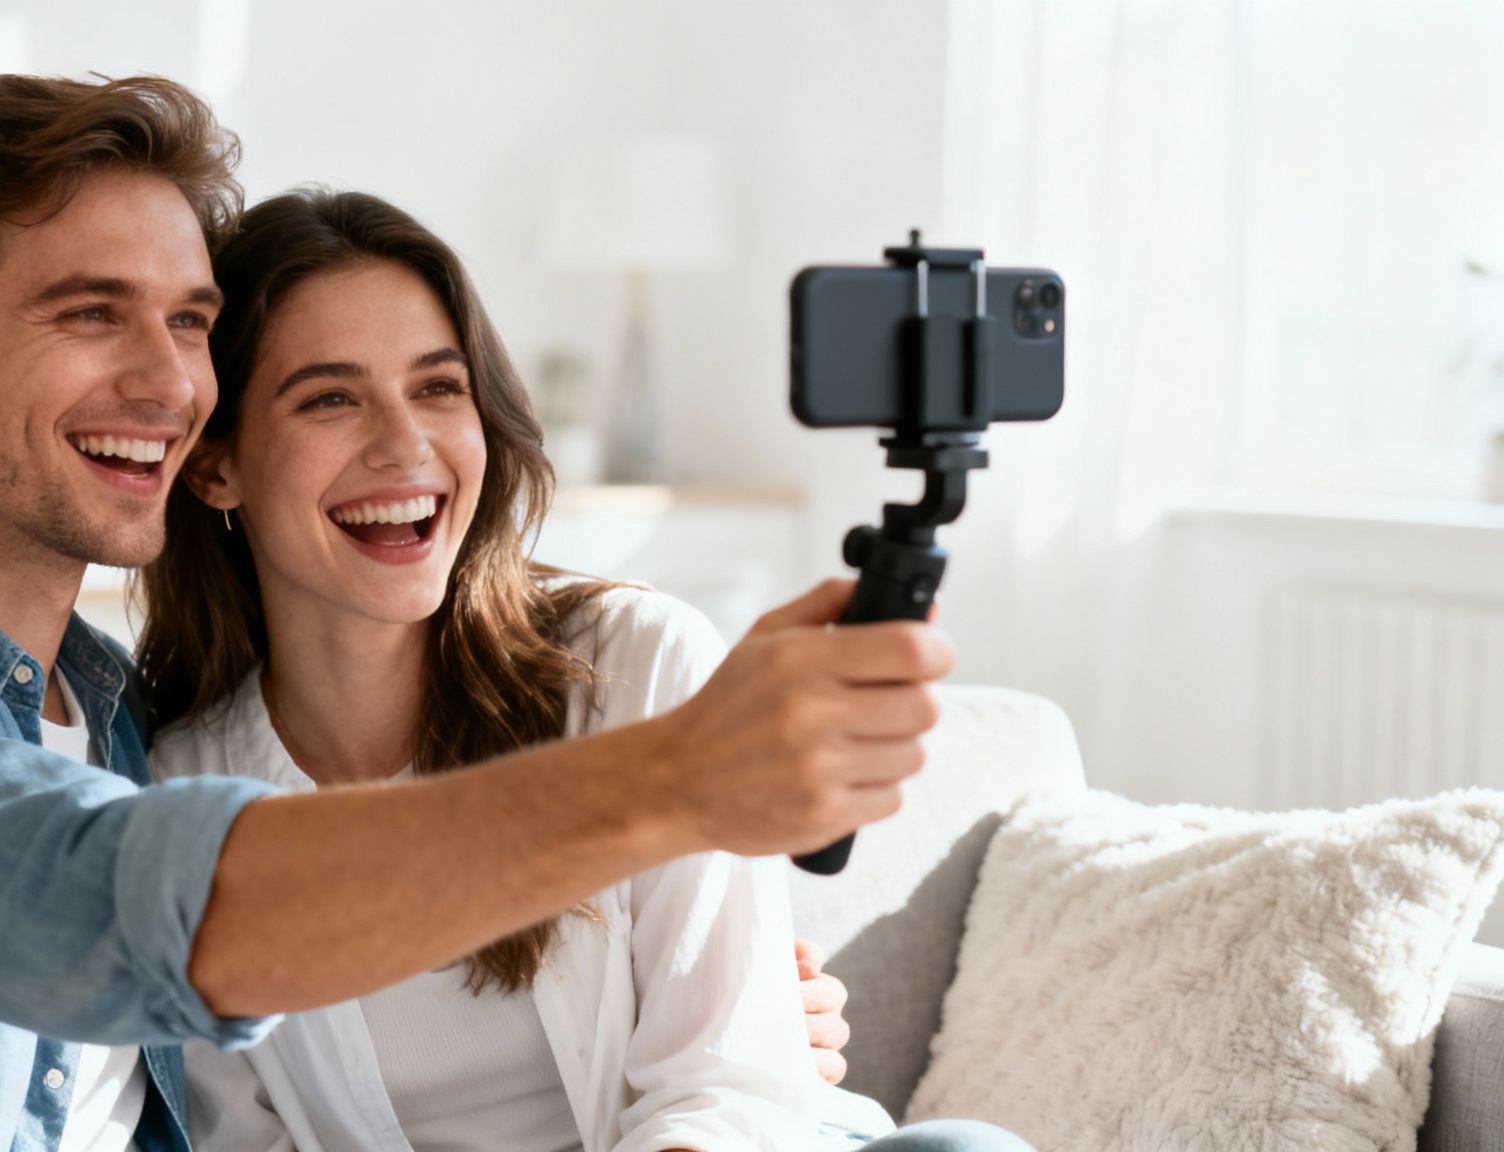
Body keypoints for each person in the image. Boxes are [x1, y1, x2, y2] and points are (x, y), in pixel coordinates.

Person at [0, 74, 954, 1152]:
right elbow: (141, 915)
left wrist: (745, 1029)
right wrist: (673, 778)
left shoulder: (112, 711)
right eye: (91, 313)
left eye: (190, 322)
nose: (166, 384)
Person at [141, 190, 1032, 1152]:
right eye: (330, 398)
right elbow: (236, 1139)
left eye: (439, 388)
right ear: (215, 465)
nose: (405, 447)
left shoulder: (636, 662)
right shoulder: (174, 792)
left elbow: (727, 1089)